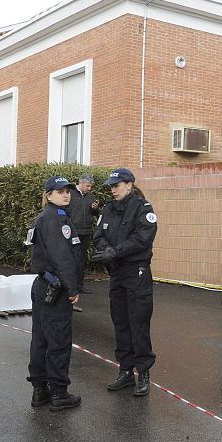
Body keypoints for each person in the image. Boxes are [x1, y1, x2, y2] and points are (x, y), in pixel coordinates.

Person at [93, 168, 157, 397]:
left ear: (129, 184)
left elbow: (142, 239)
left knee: (138, 323)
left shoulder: (143, 208)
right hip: (117, 273)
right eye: (111, 186)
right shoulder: (108, 209)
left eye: (116, 186)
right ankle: (125, 370)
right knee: (120, 322)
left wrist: (115, 252)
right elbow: (98, 235)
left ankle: (143, 373)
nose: (113, 190)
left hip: (136, 273)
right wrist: (107, 251)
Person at [25, 176, 82, 411]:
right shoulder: (55, 220)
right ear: (48, 195)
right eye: (59, 192)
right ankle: (59, 393)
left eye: (67, 191)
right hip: (55, 288)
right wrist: (72, 288)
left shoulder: (44, 217)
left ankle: (40, 390)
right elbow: (62, 257)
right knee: (58, 340)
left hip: (42, 285)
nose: (65, 195)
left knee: (40, 339)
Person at [67, 173, 99, 305]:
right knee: (72, 259)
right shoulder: (70, 194)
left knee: (82, 260)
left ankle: (80, 285)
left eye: (91, 186)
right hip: (73, 231)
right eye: (88, 186)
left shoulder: (90, 197)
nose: (89, 188)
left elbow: (95, 214)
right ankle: (70, 285)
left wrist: (95, 209)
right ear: (80, 183)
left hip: (86, 232)